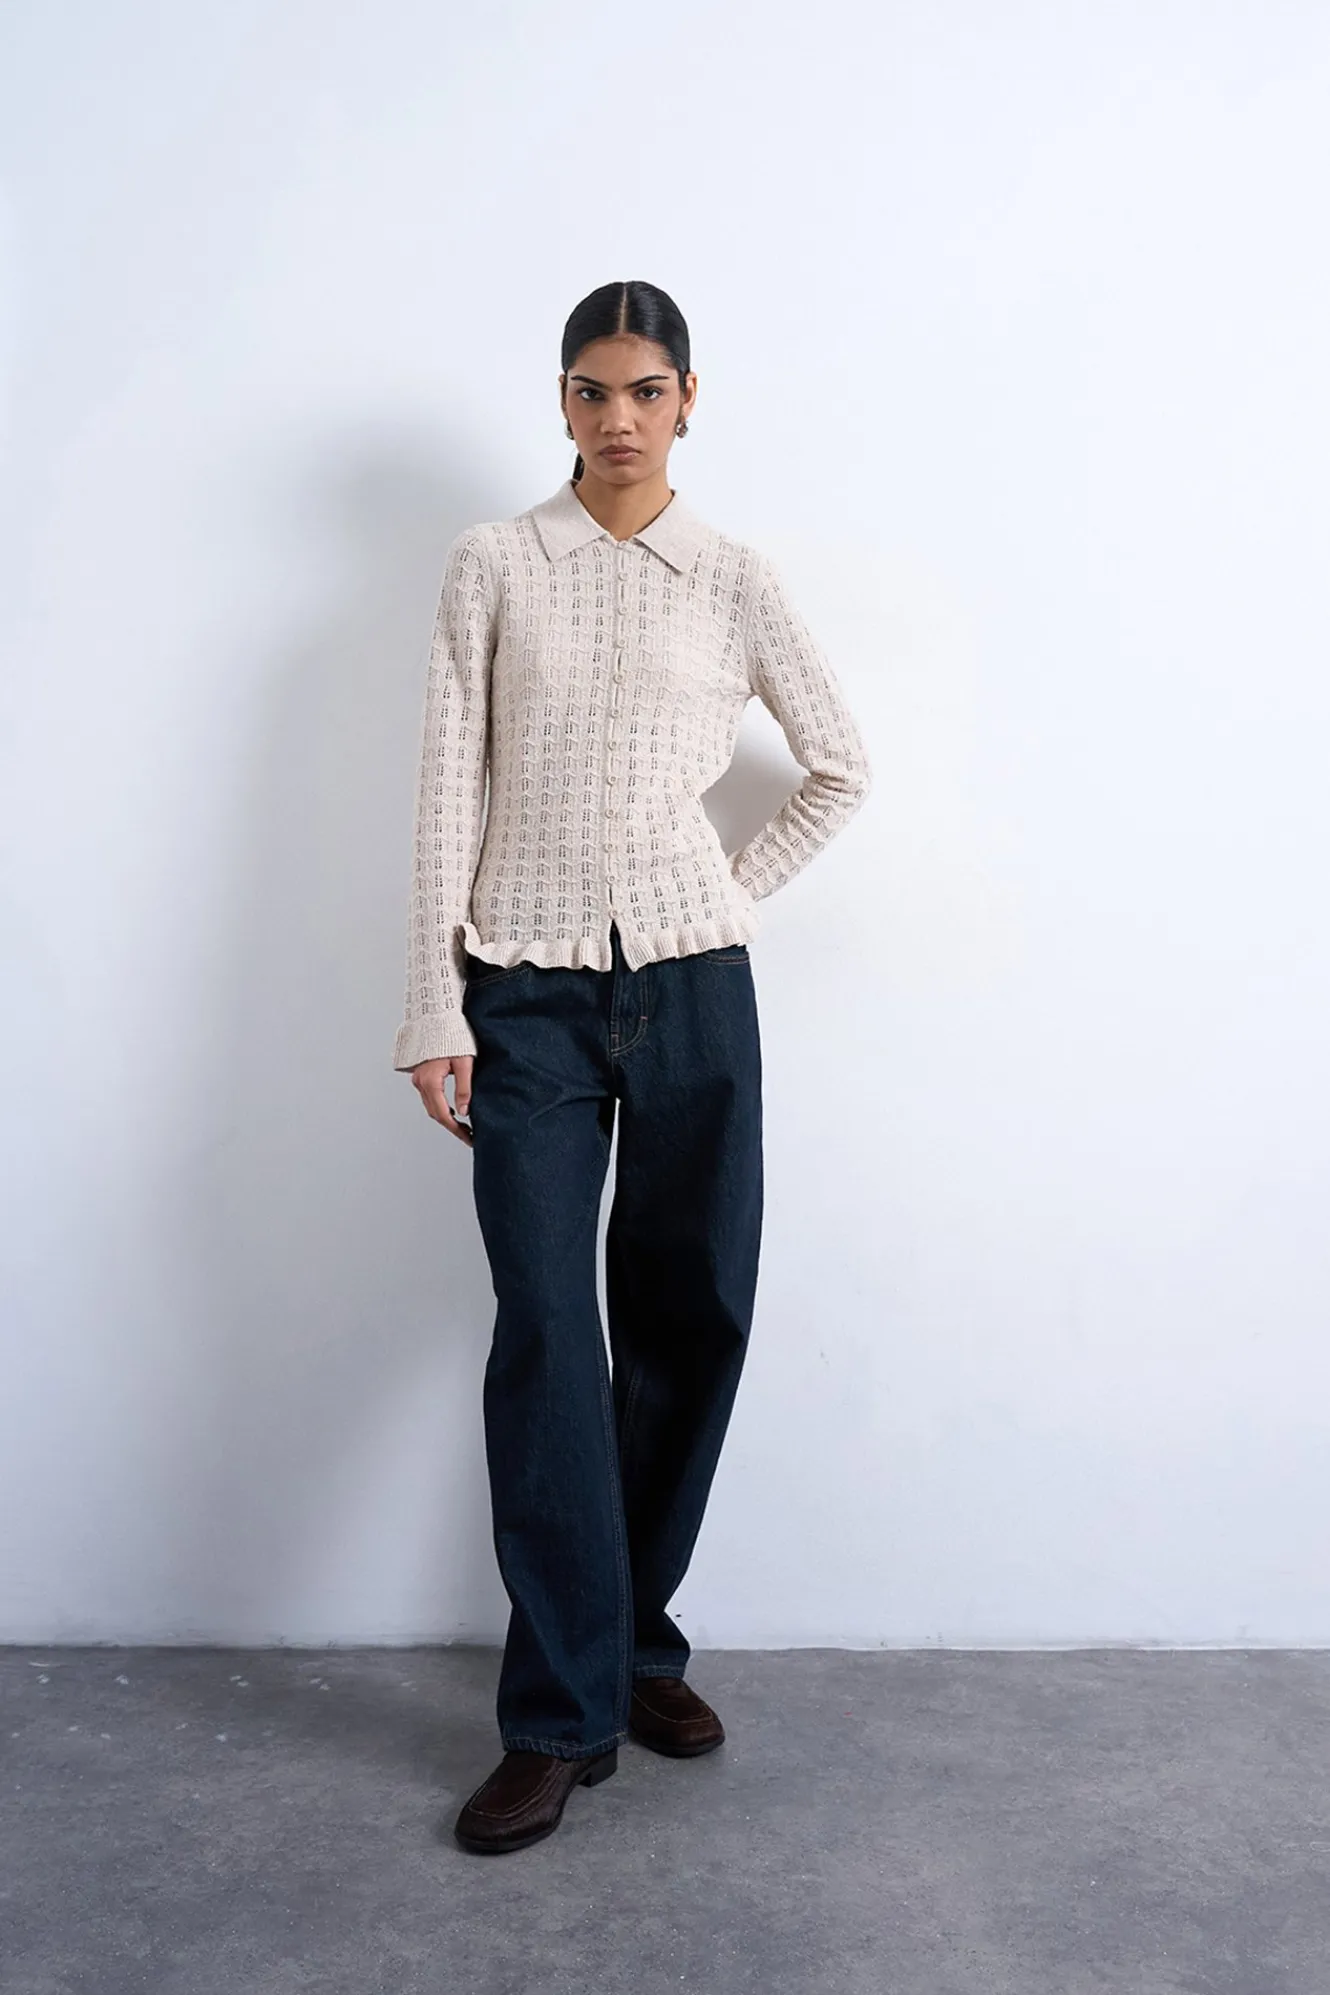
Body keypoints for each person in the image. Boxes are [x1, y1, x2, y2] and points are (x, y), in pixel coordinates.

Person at [392, 279, 873, 1855]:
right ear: (560, 401)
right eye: (591, 391)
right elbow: (446, 787)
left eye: (645, 391)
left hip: (692, 988)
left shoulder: (732, 577)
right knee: (547, 1326)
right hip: (523, 993)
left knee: (690, 1316)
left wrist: (723, 893)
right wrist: (435, 1004)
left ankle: (631, 1643)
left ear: (687, 401)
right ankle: (558, 1716)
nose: (618, 419)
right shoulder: (492, 563)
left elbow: (841, 765)